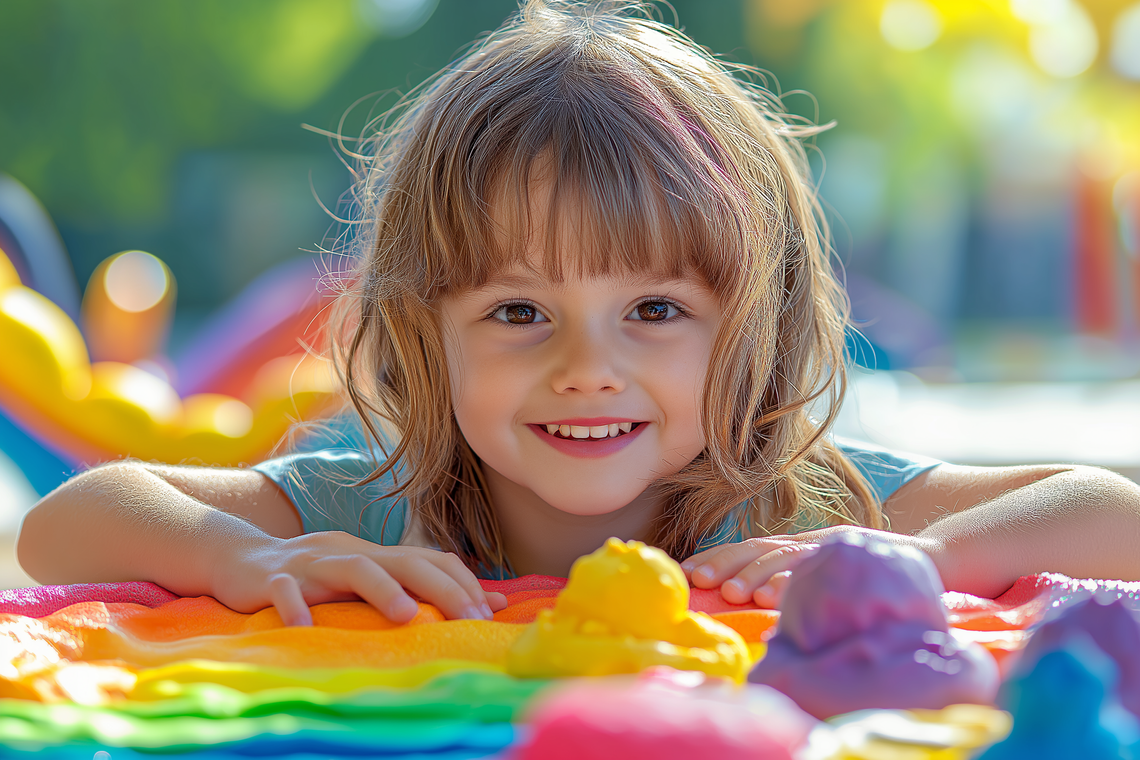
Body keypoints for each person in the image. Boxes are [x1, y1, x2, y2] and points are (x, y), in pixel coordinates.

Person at [17, 0, 1140, 627]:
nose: (586, 366)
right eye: (518, 311)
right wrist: (245, 559)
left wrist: (924, 557)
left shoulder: (801, 509)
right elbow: (66, 521)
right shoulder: (374, 511)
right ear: (425, 327)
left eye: (653, 305)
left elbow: (1110, 512)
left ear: (746, 324)